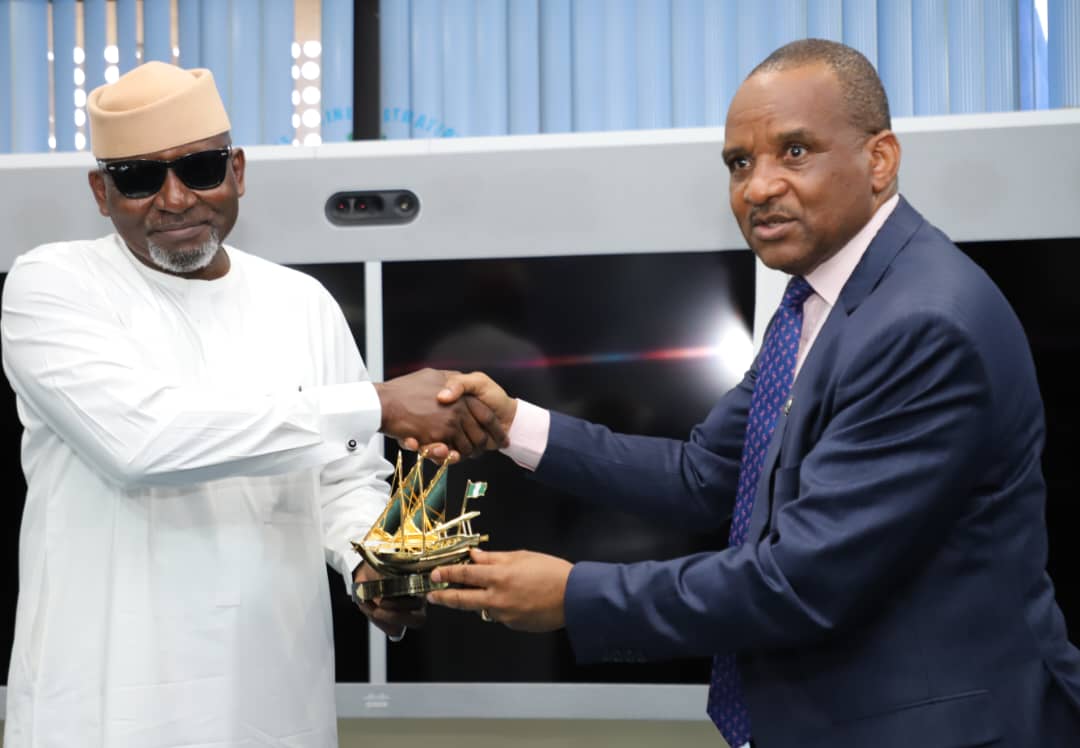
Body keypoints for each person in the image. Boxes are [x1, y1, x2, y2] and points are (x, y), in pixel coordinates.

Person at [425, 39, 1080, 747]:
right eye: (740, 162)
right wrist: (512, 426)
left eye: (794, 151)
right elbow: (705, 476)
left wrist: (572, 595)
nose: (758, 186)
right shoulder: (818, 301)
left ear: (879, 160)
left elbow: (799, 582)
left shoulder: (923, 325)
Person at [0, 61, 501, 747]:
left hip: (272, 697)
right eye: (140, 178)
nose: (175, 199)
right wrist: (376, 404)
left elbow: (344, 477)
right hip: (106, 704)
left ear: (237, 169)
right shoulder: (53, 286)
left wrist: (372, 566)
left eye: (200, 168)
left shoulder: (301, 303)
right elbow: (145, 442)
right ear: (100, 190)